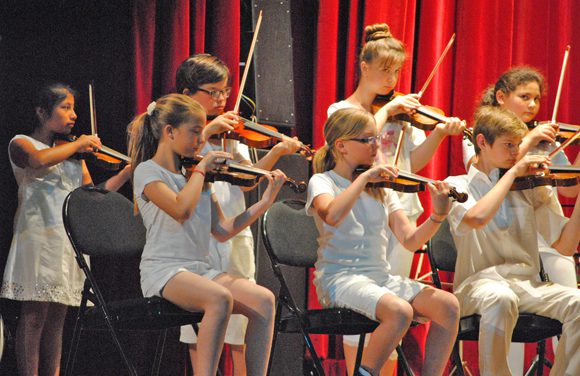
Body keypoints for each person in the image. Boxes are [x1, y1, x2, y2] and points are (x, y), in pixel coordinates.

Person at [327, 22, 465, 374]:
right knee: (364, 307)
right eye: (385, 70)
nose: (391, 79)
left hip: (399, 207)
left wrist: (437, 134)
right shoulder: (341, 110)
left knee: (394, 303)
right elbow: (359, 138)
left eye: (397, 71)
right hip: (361, 214)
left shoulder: (401, 114)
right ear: (364, 66)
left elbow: (413, 162)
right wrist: (387, 112)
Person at [128, 93, 285, 376]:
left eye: (203, 131)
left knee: (264, 300)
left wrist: (264, 202)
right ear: (169, 132)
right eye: (195, 132)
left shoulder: (196, 175)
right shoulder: (147, 172)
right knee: (219, 298)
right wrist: (201, 170)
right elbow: (180, 209)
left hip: (200, 269)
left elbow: (222, 231)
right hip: (164, 271)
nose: (202, 139)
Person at [307, 107, 460, 376]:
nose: (376, 145)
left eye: (376, 138)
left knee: (448, 305)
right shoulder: (323, 181)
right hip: (339, 279)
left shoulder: (381, 190)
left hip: (379, 278)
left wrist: (438, 214)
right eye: (367, 140)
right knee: (400, 311)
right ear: (341, 146)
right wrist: (365, 177)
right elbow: (331, 214)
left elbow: (411, 240)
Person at [174, 53, 301, 375]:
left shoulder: (232, 136)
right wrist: (205, 131)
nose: (220, 99)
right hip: (196, 237)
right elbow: (171, 170)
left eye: (224, 92)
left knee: (241, 323)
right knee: (199, 326)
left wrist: (275, 152)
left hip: (234, 234)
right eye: (213, 92)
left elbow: (246, 181)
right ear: (189, 94)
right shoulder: (178, 135)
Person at [0, 82, 132, 376]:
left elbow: (93, 196)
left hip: (67, 242)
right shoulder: (22, 143)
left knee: (58, 320)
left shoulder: (74, 156)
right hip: (36, 239)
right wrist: (79, 144)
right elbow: (37, 161)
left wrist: (127, 170)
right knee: (33, 317)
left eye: (74, 108)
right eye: (66, 107)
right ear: (41, 112)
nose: (73, 115)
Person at [446, 106, 580, 376]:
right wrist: (511, 175)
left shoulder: (529, 187)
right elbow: (476, 217)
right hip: (476, 285)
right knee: (501, 297)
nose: (516, 153)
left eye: (519, 145)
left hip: (526, 283)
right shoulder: (456, 184)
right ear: (481, 142)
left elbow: (564, 246)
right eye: (509, 145)